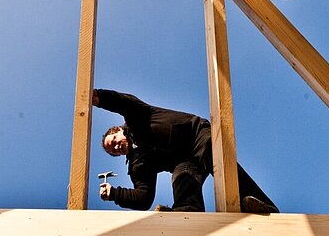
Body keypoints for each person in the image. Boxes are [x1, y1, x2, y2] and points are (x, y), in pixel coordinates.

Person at [92, 88, 278, 214]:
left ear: (118, 130)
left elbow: (124, 103)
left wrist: (99, 97)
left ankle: (262, 204)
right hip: (184, 161)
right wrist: (115, 194)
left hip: (196, 135)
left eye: (114, 141)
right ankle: (187, 213)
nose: (116, 147)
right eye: (114, 151)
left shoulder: (137, 120)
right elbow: (144, 198)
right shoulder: (138, 165)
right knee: (182, 177)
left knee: (215, 157)